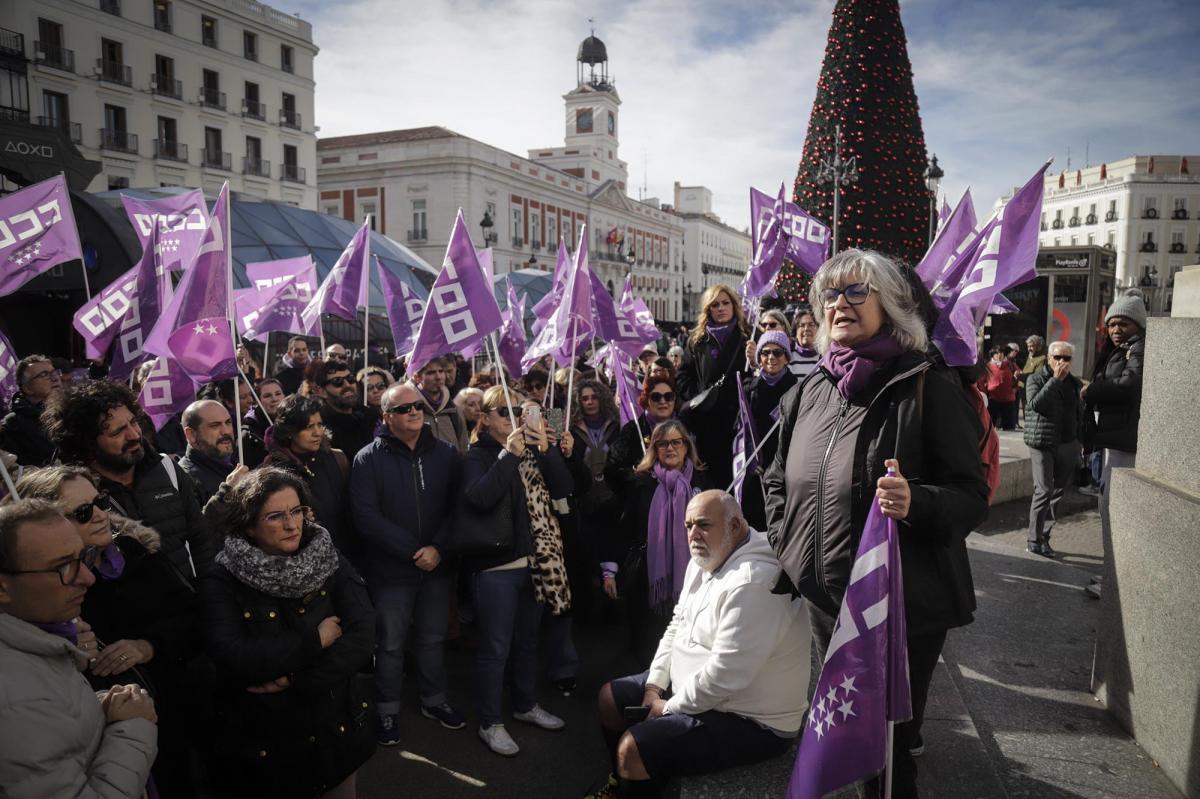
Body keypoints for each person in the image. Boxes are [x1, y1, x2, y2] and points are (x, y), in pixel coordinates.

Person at [765, 249, 990, 798]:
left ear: (889, 305)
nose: (839, 303)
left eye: (856, 292)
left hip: (901, 606)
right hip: (825, 596)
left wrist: (918, 502)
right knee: (845, 731)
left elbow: (971, 494)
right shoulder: (812, 386)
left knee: (886, 750)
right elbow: (775, 477)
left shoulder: (927, 385)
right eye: (830, 295)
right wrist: (789, 544)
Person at [589, 491, 810, 798]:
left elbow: (725, 676)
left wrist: (667, 707)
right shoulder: (708, 555)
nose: (693, 534)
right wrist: (654, 686)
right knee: (609, 699)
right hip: (701, 688)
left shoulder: (754, 581)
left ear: (734, 526)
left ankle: (637, 775)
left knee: (633, 747)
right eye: (688, 525)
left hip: (752, 720)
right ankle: (625, 782)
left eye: (704, 524)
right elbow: (677, 624)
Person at [16, 466, 209, 798]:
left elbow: (194, 617)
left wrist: (149, 646)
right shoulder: (37, 594)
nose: (100, 516)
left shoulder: (136, 553)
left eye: (99, 501)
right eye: (81, 512)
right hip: (99, 745)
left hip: (174, 719)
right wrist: (65, 646)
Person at [202, 467, 375, 798]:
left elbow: (362, 634)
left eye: (296, 511)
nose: (292, 524)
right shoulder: (222, 578)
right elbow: (233, 657)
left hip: (333, 726)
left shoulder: (327, 555)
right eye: (275, 516)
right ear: (249, 526)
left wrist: (299, 681)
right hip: (266, 742)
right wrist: (315, 640)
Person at [0, 499, 159, 798]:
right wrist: (133, 728)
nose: (87, 578)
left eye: (82, 558)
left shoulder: (35, 646)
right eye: (63, 567)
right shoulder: (10, 702)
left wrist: (99, 708)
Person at [459, 385, 572, 756]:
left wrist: (548, 449)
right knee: (495, 647)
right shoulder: (478, 455)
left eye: (519, 413)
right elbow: (479, 497)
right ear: (485, 419)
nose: (514, 421)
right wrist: (510, 454)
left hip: (537, 563)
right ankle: (490, 723)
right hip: (497, 566)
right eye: (504, 413)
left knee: (527, 642)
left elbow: (565, 490)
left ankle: (524, 706)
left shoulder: (537, 449)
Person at [350, 383, 465, 745]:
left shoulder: (446, 453)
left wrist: (438, 549)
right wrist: (416, 550)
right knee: (390, 645)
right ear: (386, 417)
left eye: (416, 406)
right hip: (392, 572)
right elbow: (365, 516)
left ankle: (434, 701)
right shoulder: (367, 458)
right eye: (403, 409)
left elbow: (457, 508)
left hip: (437, 567)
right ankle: (386, 711)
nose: (414, 411)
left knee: (432, 639)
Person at [42, 379, 217, 581]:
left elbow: (202, 544)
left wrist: (212, 603)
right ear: (88, 444)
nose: (134, 435)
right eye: (117, 432)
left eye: (133, 422)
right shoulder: (75, 498)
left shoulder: (167, 469)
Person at [610, 420, 711, 665]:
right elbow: (625, 528)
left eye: (676, 442)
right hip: (649, 576)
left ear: (687, 446)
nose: (670, 448)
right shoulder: (640, 483)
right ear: (654, 449)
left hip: (694, 572)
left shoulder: (703, 482)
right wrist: (610, 570)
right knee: (649, 645)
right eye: (662, 443)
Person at [1084, 288, 1146, 572]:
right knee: (1105, 506)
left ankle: (1114, 577)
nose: (1116, 329)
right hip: (1107, 439)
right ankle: (1110, 574)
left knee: (1115, 509)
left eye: (1124, 323)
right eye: (1111, 323)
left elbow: (1129, 386)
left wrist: (1092, 390)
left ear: (1138, 325)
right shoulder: (1116, 352)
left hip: (1122, 441)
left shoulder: (1138, 348)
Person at [676, 284, 749, 490]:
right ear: (708, 310)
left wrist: (754, 359)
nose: (721, 308)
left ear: (734, 306)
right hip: (706, 423)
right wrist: (698, 398)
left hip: (737, 425)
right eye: (715, 305)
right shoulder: (697, 341)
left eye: (725, 303)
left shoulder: (748, 337)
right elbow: (682, 375)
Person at [262, 394, 350, 549]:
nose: (317, 432)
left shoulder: (337, 458)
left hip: (344, 554)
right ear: (290, 431)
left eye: (320, 424)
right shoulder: (272, 470)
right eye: (309, 427)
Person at [570, 379, 623, 622]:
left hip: (613, 498)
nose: (590, 402)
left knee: (613, 548)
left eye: (594, 397)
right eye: (585, 398)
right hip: (585, 499)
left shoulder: (619, 424)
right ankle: (593, 612)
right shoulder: (569, 428)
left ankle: (615, 608)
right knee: (589, 553)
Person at [1023, 342, 1083, 557]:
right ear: (1048, 358)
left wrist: (1080, 442)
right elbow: (1036, 404)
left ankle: (1044, 536)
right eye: (1057, 357)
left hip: (1068, 444)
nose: (1061, 362)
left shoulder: (1074, 383)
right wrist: (1055, 381)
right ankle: (1032, 538)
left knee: (1057, 492)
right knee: (1044, 490)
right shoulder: (1036, 378)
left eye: (1066, 359)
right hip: (1042, 443)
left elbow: (1078, 413)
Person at [740, 331, 798, 531]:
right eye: (765, 353)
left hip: (783, 468)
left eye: (778, 353)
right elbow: (740, 428)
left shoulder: (796, 389)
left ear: (786, 358)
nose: (771, 358)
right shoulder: (749, 388)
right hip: (755, 468)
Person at [604, 375, 680, 500]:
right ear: (646, 400)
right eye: (656, 397)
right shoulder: (633, 430)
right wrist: (635, 473)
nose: (663, 401)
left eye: (668, 396)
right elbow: (612, 470)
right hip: (644, 504)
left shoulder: (685, 427)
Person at [308, 360, 380, 460]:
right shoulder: (319, 427)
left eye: (350, 379)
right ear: (322, 391)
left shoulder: (370, 416)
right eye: (338, 381)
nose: (347, 385)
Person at [0, 354, 62, 466]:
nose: (55, 378)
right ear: (27, 389)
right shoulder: (12, 426)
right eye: (44, 375)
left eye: (55, 372)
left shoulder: (72, 412)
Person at [179, 399, 237, 503]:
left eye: (228, 422)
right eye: (215, 425)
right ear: (191, 434)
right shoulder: (184, 479)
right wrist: (227, 492)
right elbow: (198, 519)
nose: (226, 431)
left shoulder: (237, 462)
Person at [411, 356, 468, 455]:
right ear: (417, 378)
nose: (438, 377)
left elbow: (463, 449)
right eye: (430, 373)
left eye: (441, 371)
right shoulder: (411, 410)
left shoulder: (453, 409)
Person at [983, 345, 1018, 430]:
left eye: (1002, 353)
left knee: (1009, 427)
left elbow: (1018, 377)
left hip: (1008, 400)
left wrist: (1016, 387)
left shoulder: (1010, 365)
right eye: (997, 353)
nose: (1000, 355)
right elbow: (982, 381)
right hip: (992, 399)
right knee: (989, 427)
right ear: (992, 355)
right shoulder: (987, 366)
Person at [1017, 335, 1046, 422]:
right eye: (1028, 346)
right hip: (1023, 390)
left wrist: (1020, 376)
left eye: (1032, 346)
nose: (1029, 349)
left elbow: (1037, 376)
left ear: (1038, 347)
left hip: (1031, 391)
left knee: (1031, 416)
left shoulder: (1041, 359)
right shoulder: (1030, 357)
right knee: (1026, 417)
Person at [790, 306, 821, 377]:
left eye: (811, 325)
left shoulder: (825, 357)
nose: (806, 329)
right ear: (796, 332)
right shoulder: (787, 358)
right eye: (802, 325)